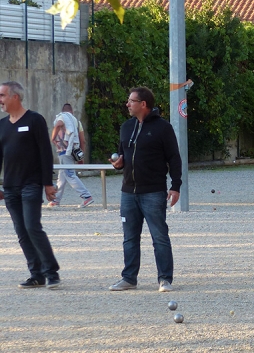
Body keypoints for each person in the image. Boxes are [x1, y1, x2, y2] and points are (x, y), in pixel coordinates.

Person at [108, 87, 182, 292]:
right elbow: (123, 156)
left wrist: (176, 186)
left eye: (131, 101)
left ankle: (165, 279)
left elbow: (174, 158)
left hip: (153, 191)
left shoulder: (163, 128)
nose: (127, 104)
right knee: (129, 237)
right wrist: (118, 164)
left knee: (159, 236)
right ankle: (129, 278)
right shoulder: (126, 127)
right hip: (128, 192)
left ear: (143, 104)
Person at [0, 81, 61, 289]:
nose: (0, 100)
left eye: (2, 95)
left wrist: (48, 184)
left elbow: (45, 153)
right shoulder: (2, 125)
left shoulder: (35, 120)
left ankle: (51, 272)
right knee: (21, 231)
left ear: (15, 97)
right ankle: (36, 274)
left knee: (32, 226)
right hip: (10, 187)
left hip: (31, 184)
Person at [49, 103, 94, 208]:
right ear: (72, 111)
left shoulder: (62, 117)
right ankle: (56, 200)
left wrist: (53, 137)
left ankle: (86, 196)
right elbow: (82, 140)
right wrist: (81, 157)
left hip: (64, 150)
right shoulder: (77, 122)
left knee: (69, 174)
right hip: (74, 151)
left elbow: (58, 124)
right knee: (62, 176)